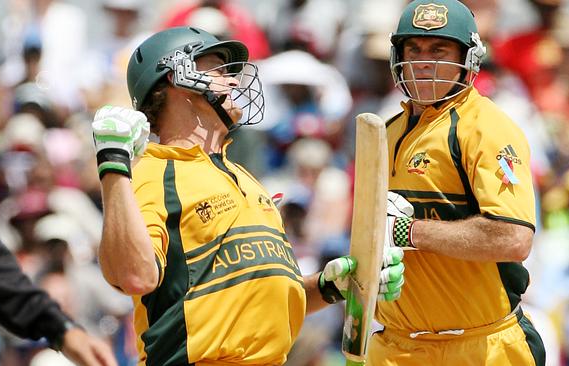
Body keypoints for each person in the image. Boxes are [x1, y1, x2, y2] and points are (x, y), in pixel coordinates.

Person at [90, 26, 404, 365]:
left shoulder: (245, 178)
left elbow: (261, 305)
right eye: (218, 70)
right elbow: (134, 275)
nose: (234, 81)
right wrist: (113, 165)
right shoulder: (154, 172)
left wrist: (327, 288)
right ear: (176, 78)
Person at [374, 0, 545, 365]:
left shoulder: (486, 127)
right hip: (395, 347)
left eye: (439, 50)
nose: (423, 62)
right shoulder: (382, 134)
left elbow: (513, 238)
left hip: (481, 347)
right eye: (413, 49)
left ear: (467, 58)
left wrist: (409, 232)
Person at [0, 217, 117, 366]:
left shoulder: (88, 277)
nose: (56, 251)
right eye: (50, 245)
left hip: (80, 343)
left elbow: (117, 310)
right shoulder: (32, 274)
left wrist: (64, 330)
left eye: (59, 245)